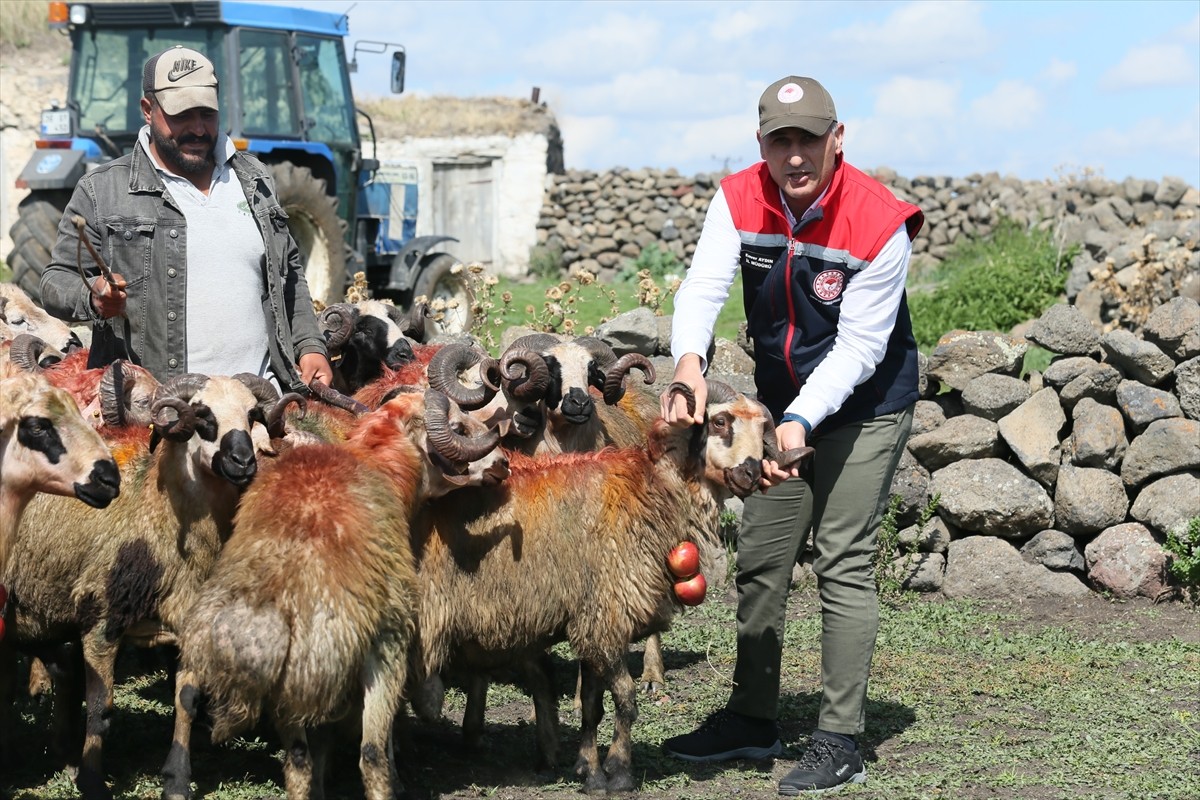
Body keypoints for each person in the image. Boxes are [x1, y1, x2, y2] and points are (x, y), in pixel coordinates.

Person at [659, 76, 923, 795]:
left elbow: (861, 348)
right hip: (780, 411)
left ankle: (839, 739)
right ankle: (752, 718)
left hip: (865, 404)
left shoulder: (880, 221)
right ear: (763, 146)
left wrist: (802, 422)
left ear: (839, 140)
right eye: (783, 140)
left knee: (841, 557)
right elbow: (703, 288)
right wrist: (689, 364)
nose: (797, 155)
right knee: (763, 558)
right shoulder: (738, 196)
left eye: (811, 138)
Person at [41, 46, 332, 392]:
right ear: (148, 110)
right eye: (182, 115)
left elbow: (289, 275)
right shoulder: (101, 190)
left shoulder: (255, 179)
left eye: (207, 114)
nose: (198, 128)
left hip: (259, 403)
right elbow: (55, 281)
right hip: (159, 410)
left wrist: (310, 346)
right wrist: (94, 296)